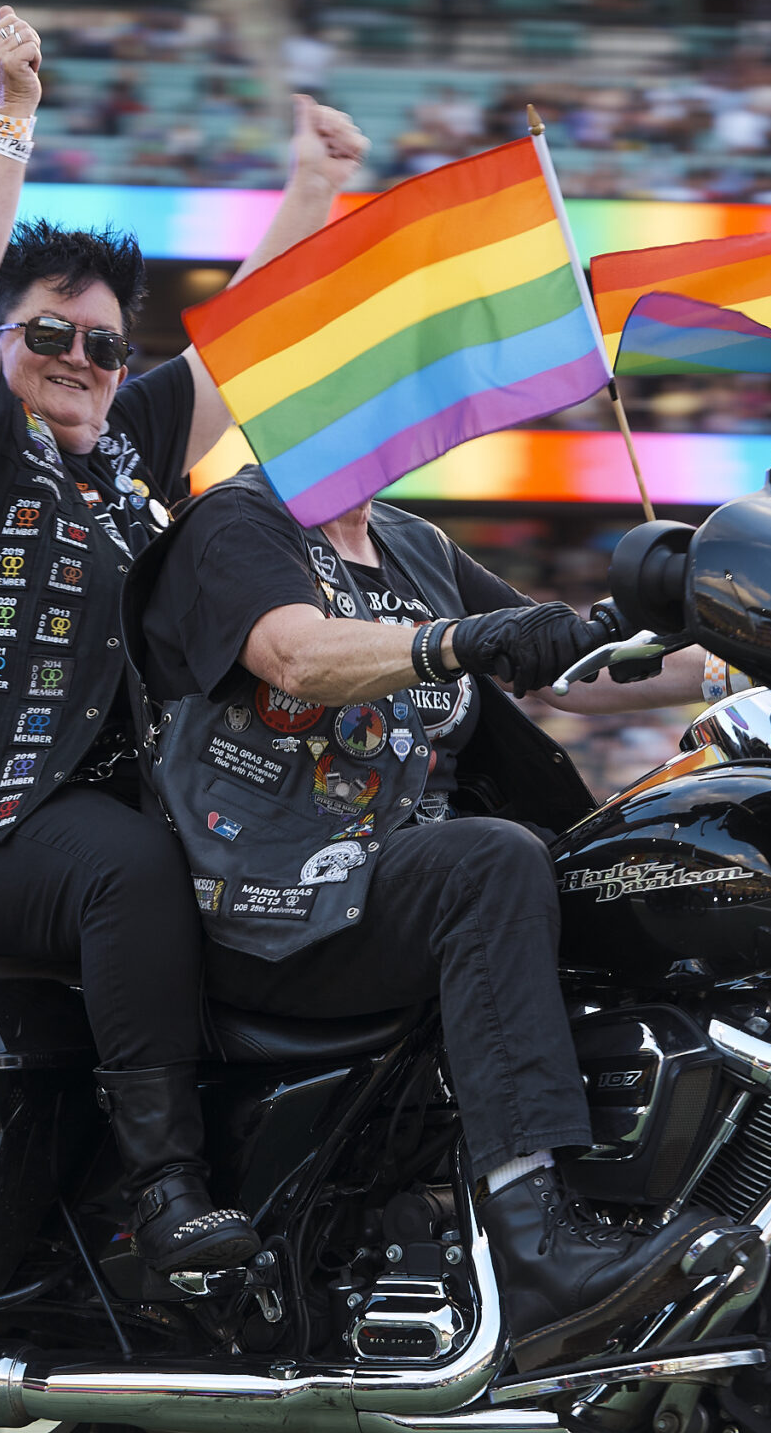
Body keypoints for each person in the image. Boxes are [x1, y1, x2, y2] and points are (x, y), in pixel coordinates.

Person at [0, 6, 369, 1276]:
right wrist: (12, 115)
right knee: (131, 869)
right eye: (51, 336)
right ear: (5, 346)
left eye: (106, 346)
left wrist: (312, 188)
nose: (79, 361)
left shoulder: (124, 444)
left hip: (92, 803)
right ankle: (163, 1187)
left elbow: (247, 336)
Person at [134, 470, 740, 1371]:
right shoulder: (237, 522)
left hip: (396, 874)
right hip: (273, 886)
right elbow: (298, 656)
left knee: (625, 864)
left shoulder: (413, 545)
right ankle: (534, 1241)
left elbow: (567, 673)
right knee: (493, 858)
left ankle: (651, 1196)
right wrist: (464, 638)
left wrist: (757, 659)